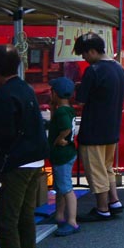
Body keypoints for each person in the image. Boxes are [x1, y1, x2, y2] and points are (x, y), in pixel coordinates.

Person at [0, 44, 49, 248]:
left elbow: (2, 137)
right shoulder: (25, 88)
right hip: (35, 161)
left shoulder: (4, 95)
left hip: (16, 164)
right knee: (25, 218)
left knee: (7, 221)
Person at [73, 32, 124, 221]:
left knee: (96, 170)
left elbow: (81, 102)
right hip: (112, 127)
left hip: (94, 128)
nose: (84, 58)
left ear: (93, 51)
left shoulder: (94, 70)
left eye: (84, 54)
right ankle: (114, 201)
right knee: (107, 167)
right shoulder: (119, 68)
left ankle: (102, 208)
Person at [46, 77, 79, 236]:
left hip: (62, 156)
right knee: (59, 187)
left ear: (55, 93)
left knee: (66, 188)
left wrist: (59, 139)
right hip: (67, 154)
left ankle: (72, 221)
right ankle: (59, 215)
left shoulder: (61, 112)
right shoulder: (67, 109)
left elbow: (65, 128)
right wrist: (52, 108)